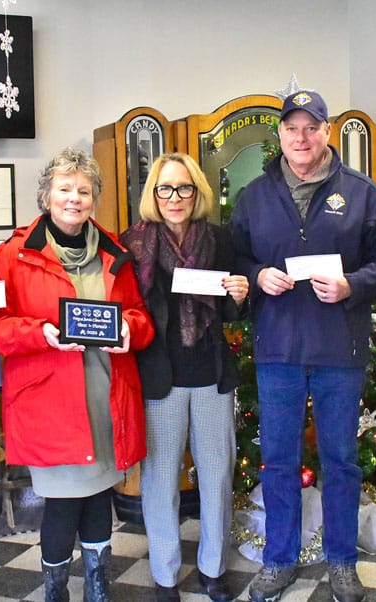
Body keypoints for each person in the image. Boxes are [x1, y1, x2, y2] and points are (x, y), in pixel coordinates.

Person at [229, 90, 376, 602]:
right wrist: (258, 276)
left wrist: (353, 285)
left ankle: (343, 561)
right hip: (278, 349)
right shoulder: (255, 196)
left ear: (327, 131)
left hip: (338, 349)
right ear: (279, 135)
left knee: (342, 459)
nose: (300, 138)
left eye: (311, 128)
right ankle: (278, 560)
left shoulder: (361, 192)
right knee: (278, 460)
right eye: (291, 129)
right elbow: (235, 259)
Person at [0, 148, 154, 602]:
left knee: (99, 496)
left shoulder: (116, 251)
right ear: (45, 195)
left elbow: (141, 317)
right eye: (64, 188)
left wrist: (127, 330)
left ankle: (98, 588)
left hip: (105, 392)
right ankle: (55, 592)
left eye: (83, 190)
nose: (74, 198)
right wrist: (42, 332)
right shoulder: (15, 254)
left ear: (94, 198)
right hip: (49, 399)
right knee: (61, 502)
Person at [120, 153, 248, 602]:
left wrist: (239, 293)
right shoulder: (132, 244)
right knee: (158, 482)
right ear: (153, 194)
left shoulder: (218, 239)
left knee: (216, 476)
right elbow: (127, 311)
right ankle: (165, 573)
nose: (175, 198)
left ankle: (213, 569)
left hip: (211, 375)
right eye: (165, 189)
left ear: (198, 192)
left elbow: (233, 307)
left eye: (185, 188)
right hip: (159, 377)